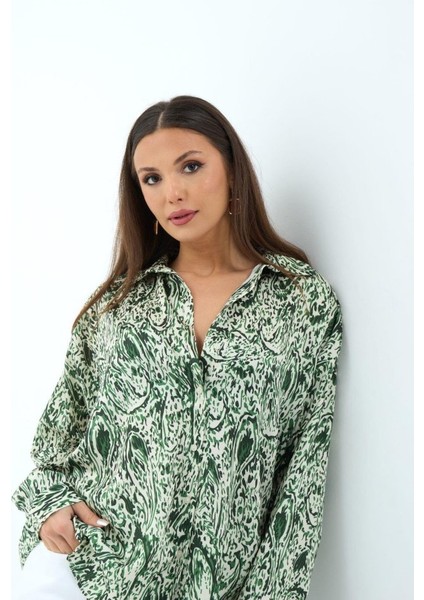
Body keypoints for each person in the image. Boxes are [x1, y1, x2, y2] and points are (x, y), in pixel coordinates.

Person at [12, 95, 343, 600]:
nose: (173, 193)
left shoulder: (301, 301)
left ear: (232, 169)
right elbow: (59, 436)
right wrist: (49, 504)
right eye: (152, 178)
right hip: (86, 572)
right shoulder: (118, 307)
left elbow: (303, 473)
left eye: (191, 166)